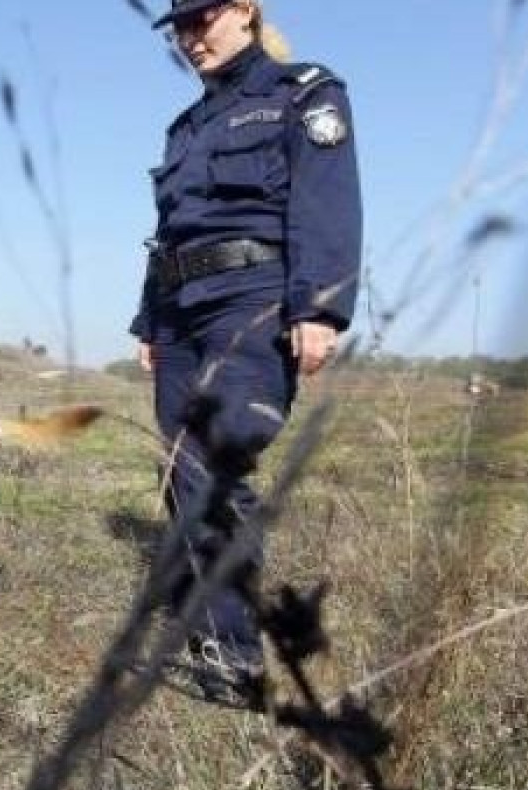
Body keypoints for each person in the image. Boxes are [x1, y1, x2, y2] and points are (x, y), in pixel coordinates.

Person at [130, 0, 362, 683]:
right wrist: (149, 319)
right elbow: (172, 228)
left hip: (254, 297)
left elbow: (326, 200)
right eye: (178, 26)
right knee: (180, 466)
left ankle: (232, 655)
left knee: (216, 456)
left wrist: (318, 308)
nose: (188, 37)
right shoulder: (185, 127)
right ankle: (201, 627)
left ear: (245, 11)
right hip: (179, 310)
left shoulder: (305, 92)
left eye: (201, 19)